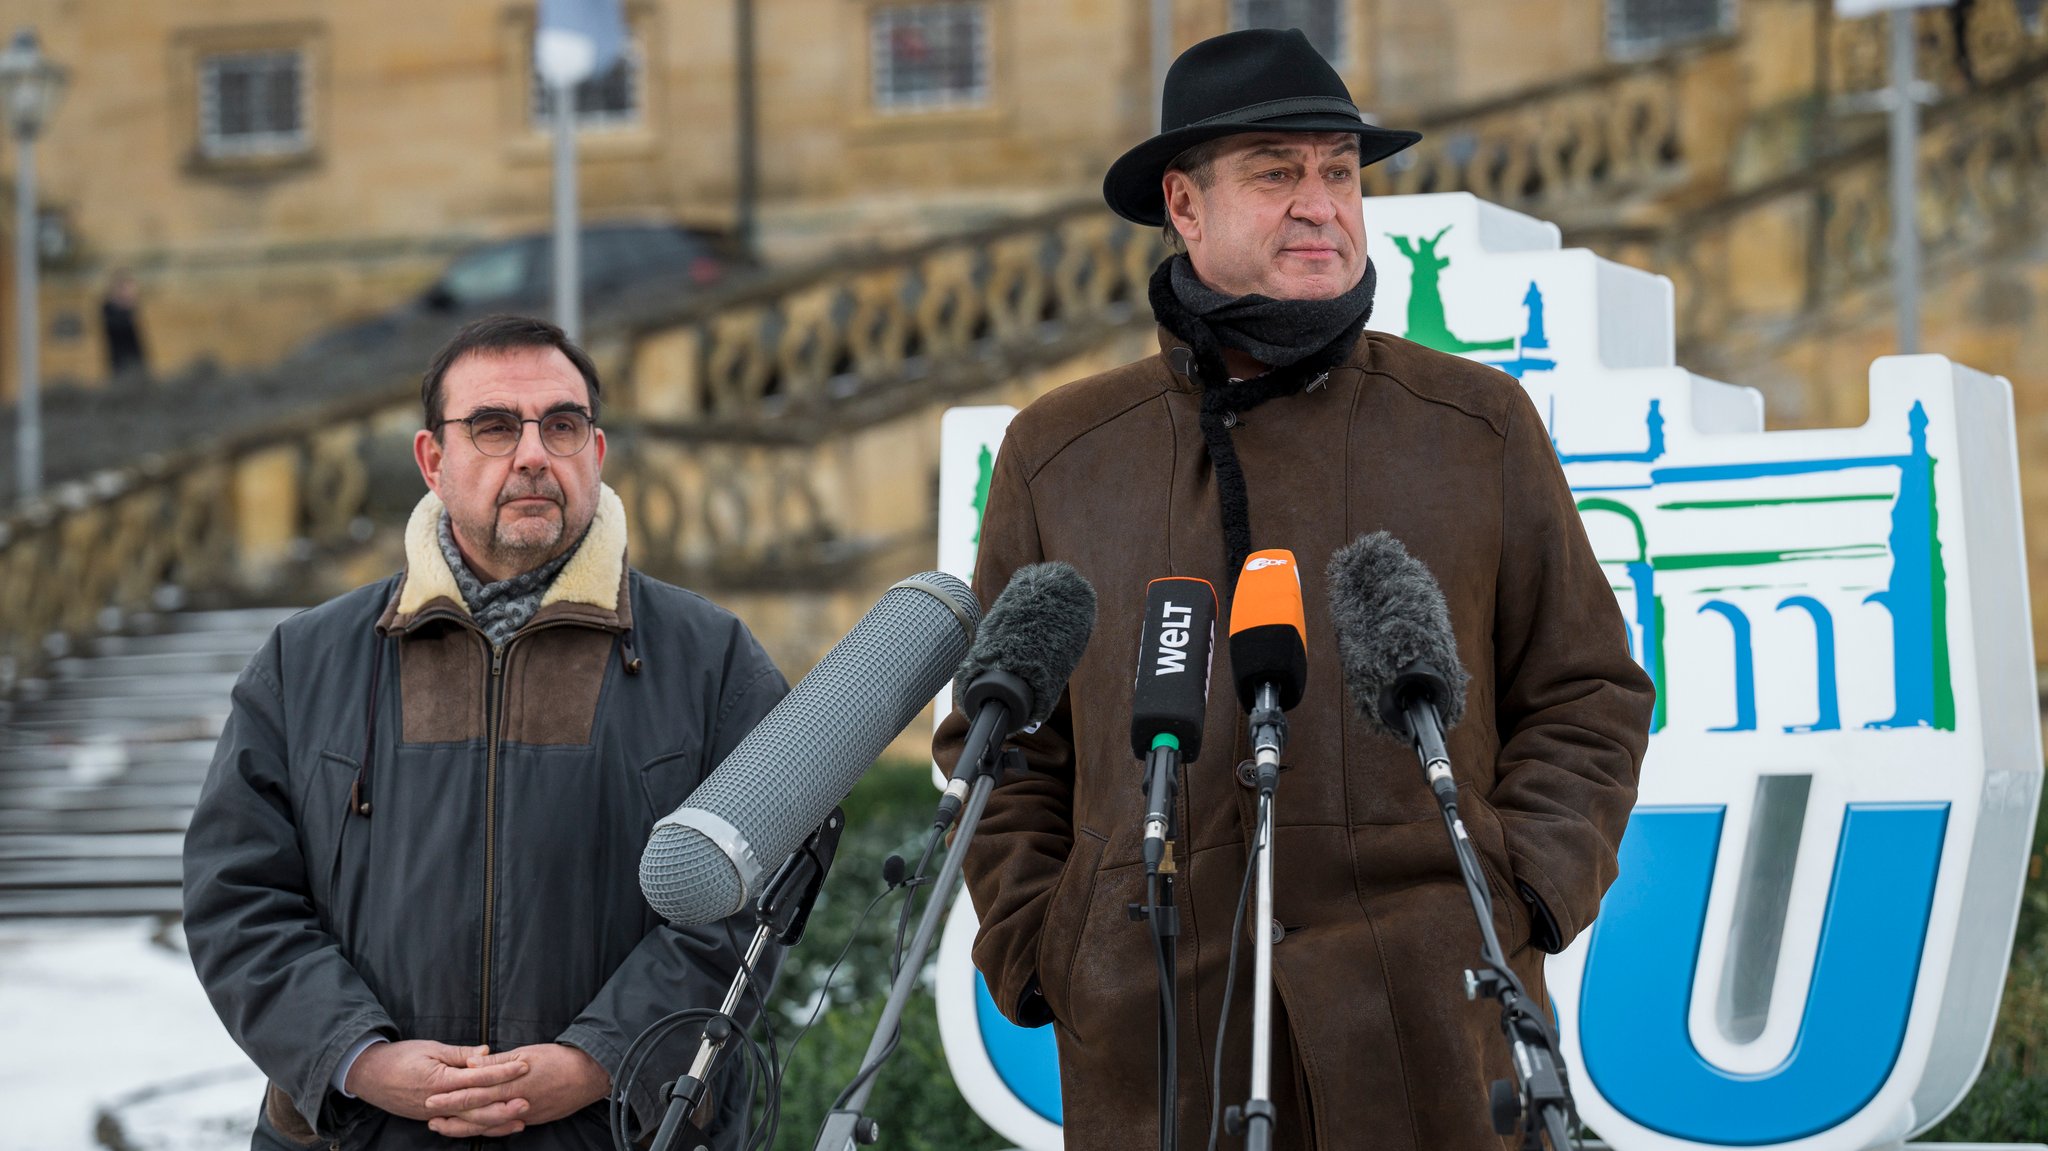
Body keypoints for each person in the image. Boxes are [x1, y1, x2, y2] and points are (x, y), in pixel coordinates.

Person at [935, 29, 1656, 1150]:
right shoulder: (1061, 451)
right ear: (1183, 204)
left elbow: (1586, 691)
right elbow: (1003, 744)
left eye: (1338, 171)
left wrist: (1514, 895)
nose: (1320, 203)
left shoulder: (1473, 427)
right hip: (1154, 1046)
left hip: (1429, 1037)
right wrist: (1048, 945)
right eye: (1276, 172)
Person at [183, 314, 789, 1150]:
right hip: (361, 1133)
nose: (534, 453)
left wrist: (600, 1058)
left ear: (597, 453)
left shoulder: (713, 660)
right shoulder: (305, 661)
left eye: (562, 425)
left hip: (619, 1132)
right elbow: (237, 896)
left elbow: (752, 904)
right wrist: (357, 1056)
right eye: (495, 426)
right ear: (434, 460)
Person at [101, 269, 148, 381]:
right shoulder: (109, 309)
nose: (132, 294)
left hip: (135, 363)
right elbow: (118, 328)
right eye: (128, 289)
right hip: (120, 364)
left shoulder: (129, 310)